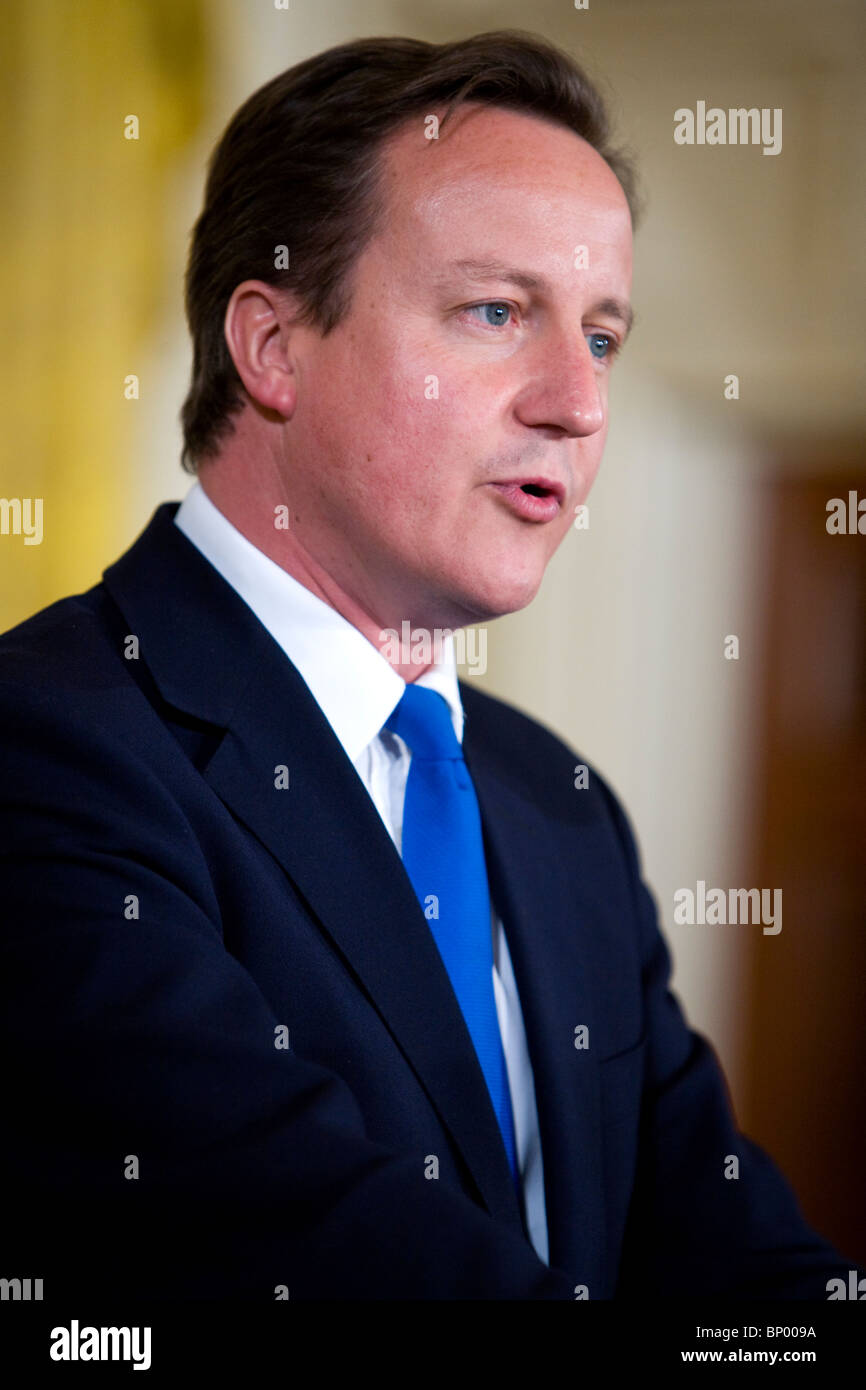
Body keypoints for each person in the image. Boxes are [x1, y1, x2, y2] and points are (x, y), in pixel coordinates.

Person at [0, 30, 855, 1302]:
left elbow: (719, 1251)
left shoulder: (551, 798)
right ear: (274, 345)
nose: (576, 400)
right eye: (496, 311)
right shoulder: (49, 745)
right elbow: (325, 1264)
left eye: (604, 337)